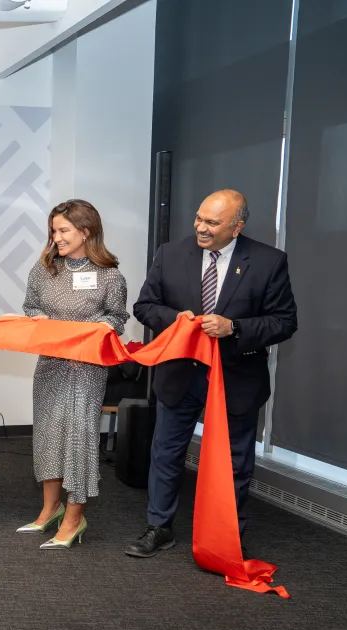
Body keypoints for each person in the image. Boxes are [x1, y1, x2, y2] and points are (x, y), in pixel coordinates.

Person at [125, 190, 297, 558]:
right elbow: (145, 307)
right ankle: (158, 527)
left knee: (234, 462)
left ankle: (229, 536)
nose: (201, 228)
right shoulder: (171, 254)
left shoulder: (268, 261)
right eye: (199, 219)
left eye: (212, 223)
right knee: (166, 453)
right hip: (180, 374)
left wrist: (234, 327)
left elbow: (284, 322)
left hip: (236, 378)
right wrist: (176, 320)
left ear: (237, 227)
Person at [20, 199, 128, 549]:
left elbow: (117, 318)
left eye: (63, 230)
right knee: (48, 435)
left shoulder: (109, 274)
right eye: (53, 230)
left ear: (86, 231)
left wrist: (98, 327)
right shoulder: (44, 269)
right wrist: (38, 319)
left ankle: (75, 517)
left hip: (86, 369)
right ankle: (50, 509)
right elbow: (31, 306)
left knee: (78, 439)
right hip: (50, 364)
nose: (56, 237)